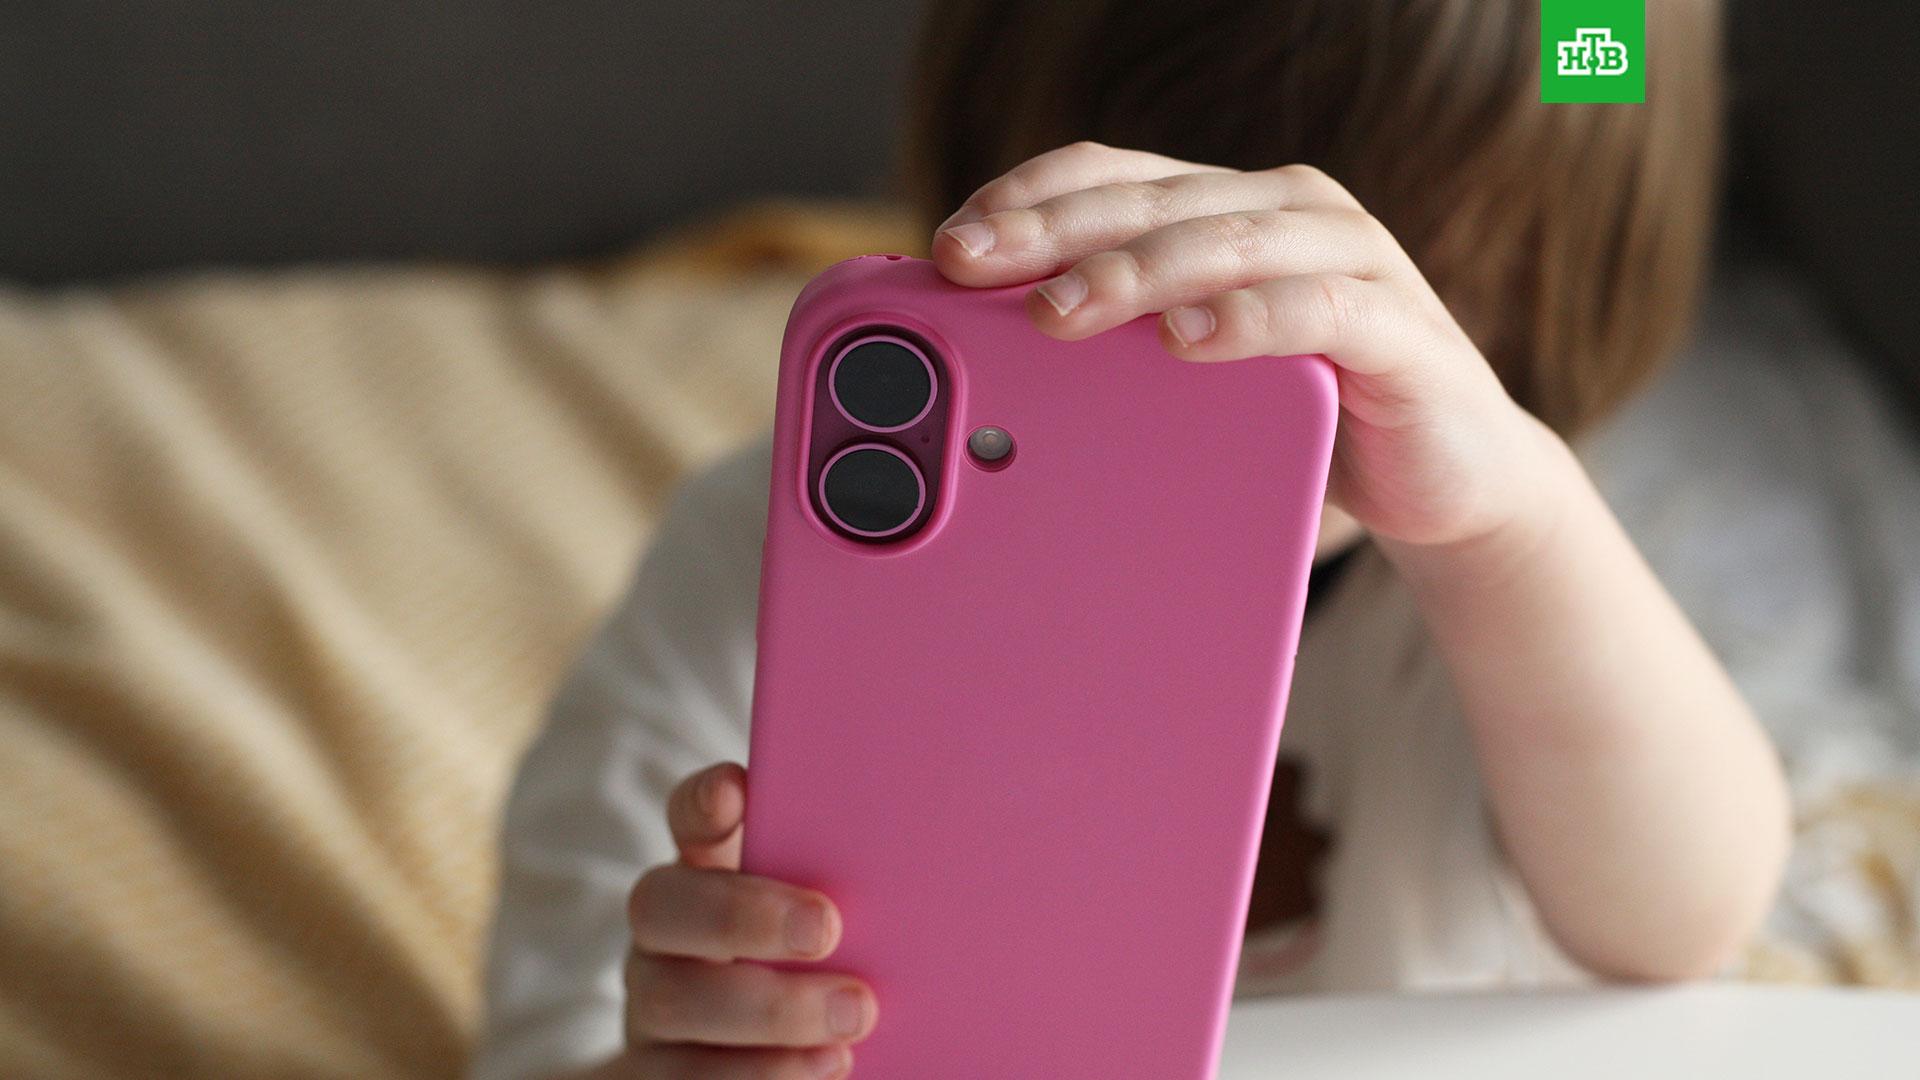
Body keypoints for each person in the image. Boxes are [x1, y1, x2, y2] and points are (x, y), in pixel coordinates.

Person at [474, 2, 1792, 1077]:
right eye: (1177, 290)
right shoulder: (776, 559)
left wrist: (1512, 525)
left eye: (1435, 299)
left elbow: (1683, 925)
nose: (1295, 364)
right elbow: (551, 1039)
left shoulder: (1518, 581)